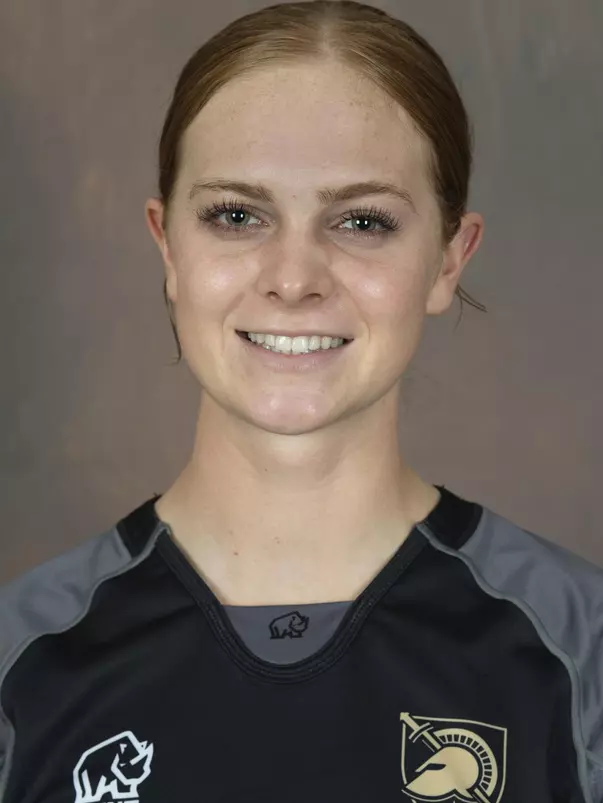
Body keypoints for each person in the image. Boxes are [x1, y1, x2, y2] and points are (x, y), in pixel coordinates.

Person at [1, 2, 601, 801]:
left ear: (449, 259)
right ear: (168, 245)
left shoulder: (578, 646)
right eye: (236, 215)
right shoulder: (21, 658)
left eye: (361, 220)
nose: (292, 277)